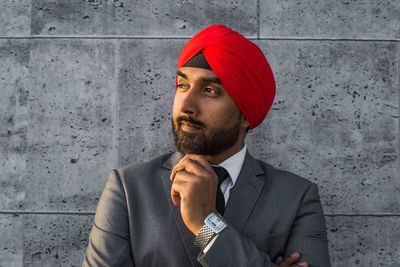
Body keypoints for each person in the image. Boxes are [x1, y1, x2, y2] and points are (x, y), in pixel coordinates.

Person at [82, 24, 331, 267]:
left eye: (210, 90)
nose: (187, 104)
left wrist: (205, 224)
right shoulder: (128, 188)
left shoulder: (295, 197)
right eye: (182, 85)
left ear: (245, 113)